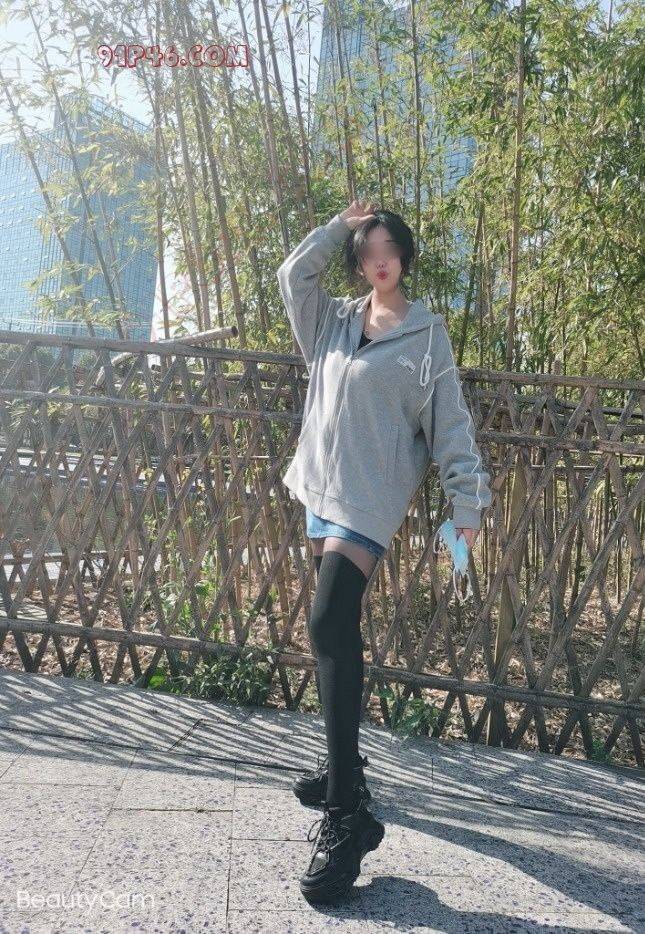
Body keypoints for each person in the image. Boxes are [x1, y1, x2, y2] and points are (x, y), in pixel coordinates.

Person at [276, 200, 492, 905]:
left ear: (405, 255)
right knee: (334, 638)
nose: (379, 258)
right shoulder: (333, 321)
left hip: (368, 502)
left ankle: (347, 820)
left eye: (389, 245)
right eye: (367, 247)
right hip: (320, 490)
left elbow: (450, 424)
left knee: (327, 622)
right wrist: (336, 227)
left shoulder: (427, 337)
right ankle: (348, 771)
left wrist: (467, 505)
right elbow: (291, 275)